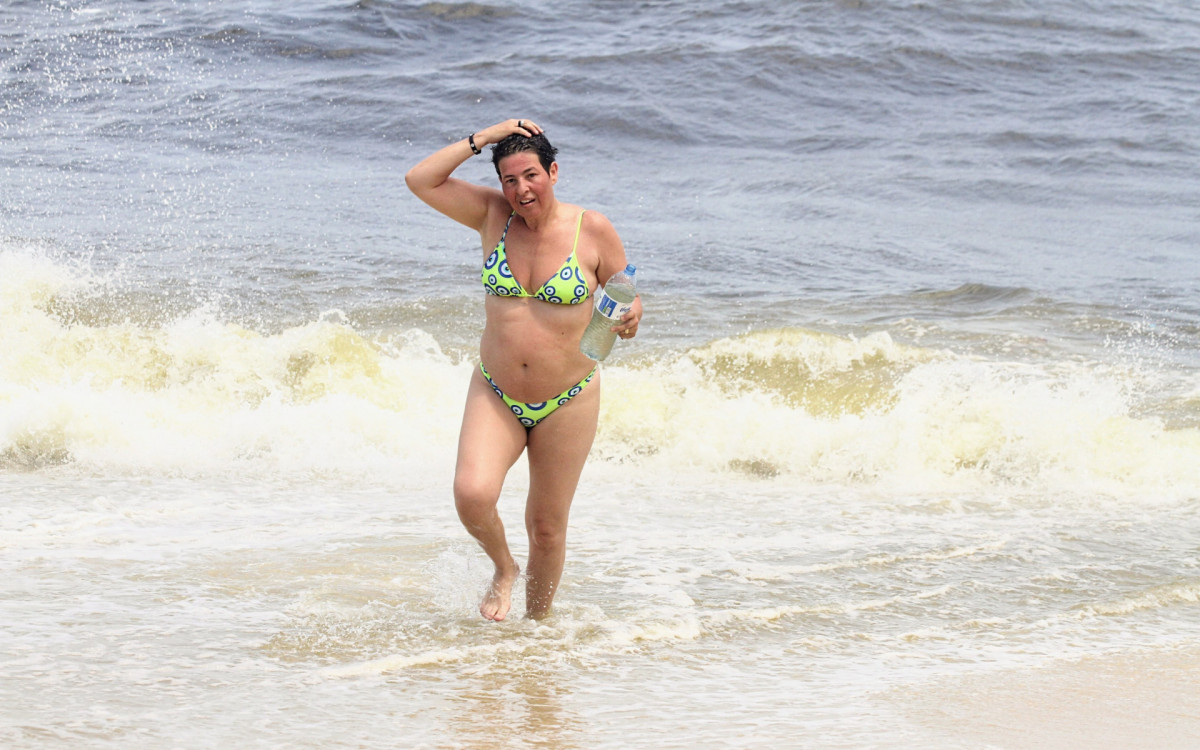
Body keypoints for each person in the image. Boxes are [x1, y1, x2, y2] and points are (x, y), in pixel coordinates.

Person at [405, 118, 642, 621]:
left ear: (553, 172)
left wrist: (631, 315)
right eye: (509, 179)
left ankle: (535, 633)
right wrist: (484, 138)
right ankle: (504, 569)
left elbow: (625, 291)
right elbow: (419, 179)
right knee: (472, 495)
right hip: (496, 390)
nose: (520, 189)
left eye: (530, 175)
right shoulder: (491, 216)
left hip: (569, 396)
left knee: (548, 528)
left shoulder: (592, 229)